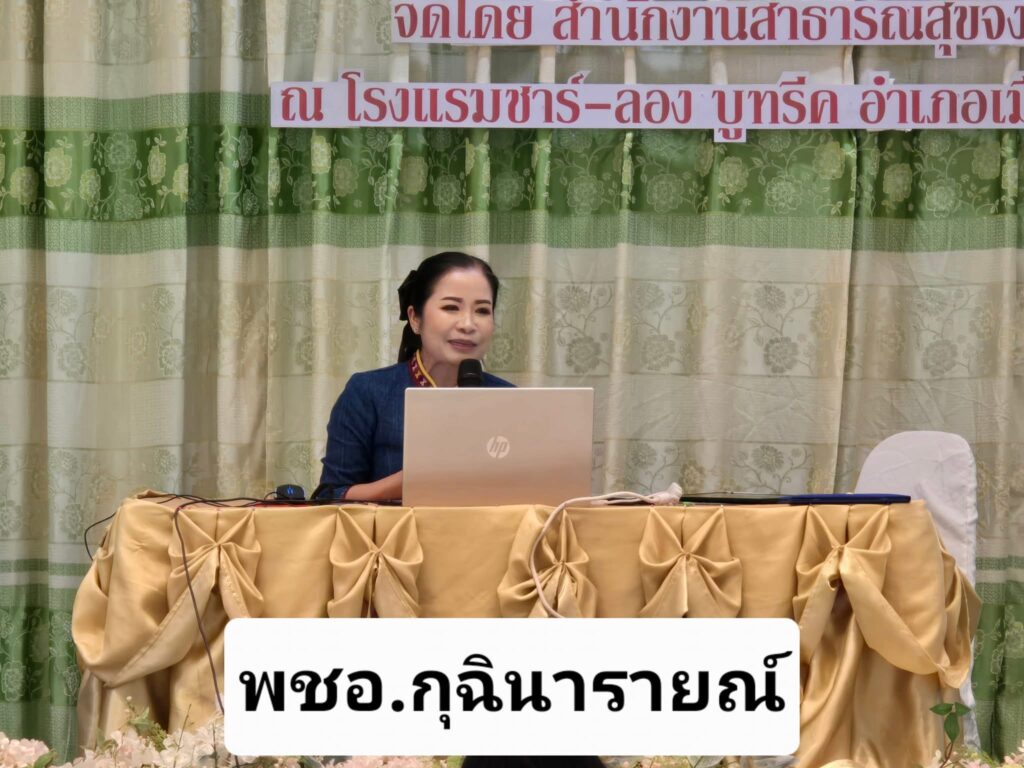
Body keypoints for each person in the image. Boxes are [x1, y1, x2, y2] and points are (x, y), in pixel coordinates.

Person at [318, 252, 514, 502]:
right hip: (397, 529)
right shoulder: (368, 392)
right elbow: (331, 496)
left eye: (483, 310)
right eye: (451, 307)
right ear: (415, 318)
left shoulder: (511, 399)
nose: (468, 324)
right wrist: (412, 479)